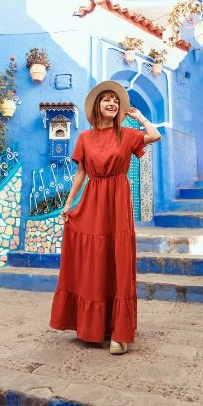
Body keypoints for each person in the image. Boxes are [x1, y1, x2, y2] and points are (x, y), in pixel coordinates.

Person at [49, 80, 162, 355]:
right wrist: (68, 203)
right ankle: (93, 326)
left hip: (118, 200)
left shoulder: (127, 134)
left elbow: (155, 135)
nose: (112, 103)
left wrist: (140, 117)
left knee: (118, 259)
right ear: (98, 106)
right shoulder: (85, 138)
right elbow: (81, 174)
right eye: (106, 100)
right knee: (94, 259)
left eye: (116, 100)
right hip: (92, 200)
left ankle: (119, 334)